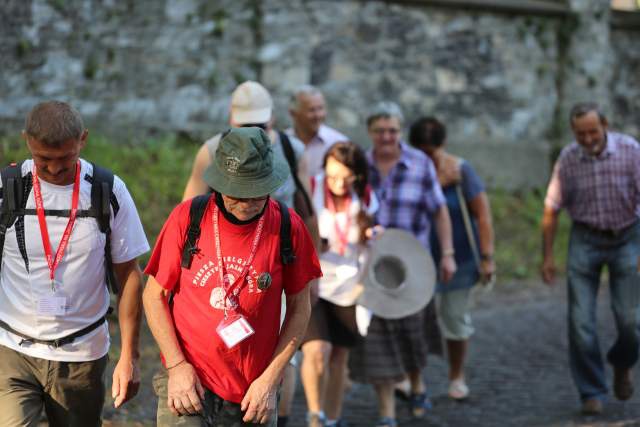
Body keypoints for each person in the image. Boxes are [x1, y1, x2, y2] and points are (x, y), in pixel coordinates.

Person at [143, 127, 322, 426]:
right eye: (236, 193)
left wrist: (270, 379)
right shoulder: (189, 218)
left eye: (256, 193)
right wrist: (176, 366)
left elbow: (300, 308)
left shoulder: (288, 228)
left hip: (255, 390)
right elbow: (153, 296)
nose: (246, 202)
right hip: (189, 379)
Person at [0, 101, 149, 426]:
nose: (54, 169)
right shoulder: (7, 188)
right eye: (43, 160)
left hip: (82, 354)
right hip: (12, 348)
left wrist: (130, 356)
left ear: (83, 139)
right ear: (27, 141)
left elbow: (130, 276)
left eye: (64, 159)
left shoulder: (107, 191)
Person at [181, 80, 316, 427]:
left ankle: (275, 416)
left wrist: (313, 269)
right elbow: (188, 211)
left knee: (283, 355)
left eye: (261, 124)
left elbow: (305, 205)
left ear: (273, 119)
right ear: (231, 120)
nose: (256, 130)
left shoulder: (290, 148)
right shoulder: (213, 150)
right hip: (224, 262)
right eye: (247, 125)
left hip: (277, 254)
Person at [348, 102, 456, 427]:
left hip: (413, 267)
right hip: (373, 267)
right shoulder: (360, 164)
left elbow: (439, 211)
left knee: (412, 333)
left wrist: (448, 253)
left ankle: (417, 384)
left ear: (400, 130)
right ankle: (386, 412)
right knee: (378, 337)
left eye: (392, 130)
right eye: (380, 131)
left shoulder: (420, 163)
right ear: (370, 132)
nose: (386, 137)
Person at [542, 102, 640, 415]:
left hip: (627, 236)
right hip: (585, 239)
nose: (587, 139)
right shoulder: (569, 159)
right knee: (580, 321)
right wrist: (547, 256)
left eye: (593, 131)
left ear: (605, 125)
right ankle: (591, 390)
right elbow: (551, 209)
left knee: (631, 320)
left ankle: (622, 362)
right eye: (580, 133)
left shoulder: (630, 151)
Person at [409, 116, 495, 401]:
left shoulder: (461, 171)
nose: (427, 158)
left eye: (431, 152)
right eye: (421, 152)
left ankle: (457, 376)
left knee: (455, 318)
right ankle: (414, 379)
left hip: (460, 258)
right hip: (418, 258)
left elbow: (482, 215)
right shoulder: (409, 169)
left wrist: (487, 257)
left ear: (442, 145)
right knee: (415, 321)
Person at [301, 142, 378, 427]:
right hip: (315, 283)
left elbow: (371, 232)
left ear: (357, 176)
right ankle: (314, 416)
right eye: (332, 176)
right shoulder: (311, 188)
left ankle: (332, 418)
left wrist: (372, 234)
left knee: (338, 357)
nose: (337, 184)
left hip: (349, 286)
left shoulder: (365, 195)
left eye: (345, 178)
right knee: (316, 350)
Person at [287, 85, 348, 176]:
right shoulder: (282, 141)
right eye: (311, 110)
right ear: (293, 113)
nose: (318, 115)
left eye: (321, 108)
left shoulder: (339, 143)